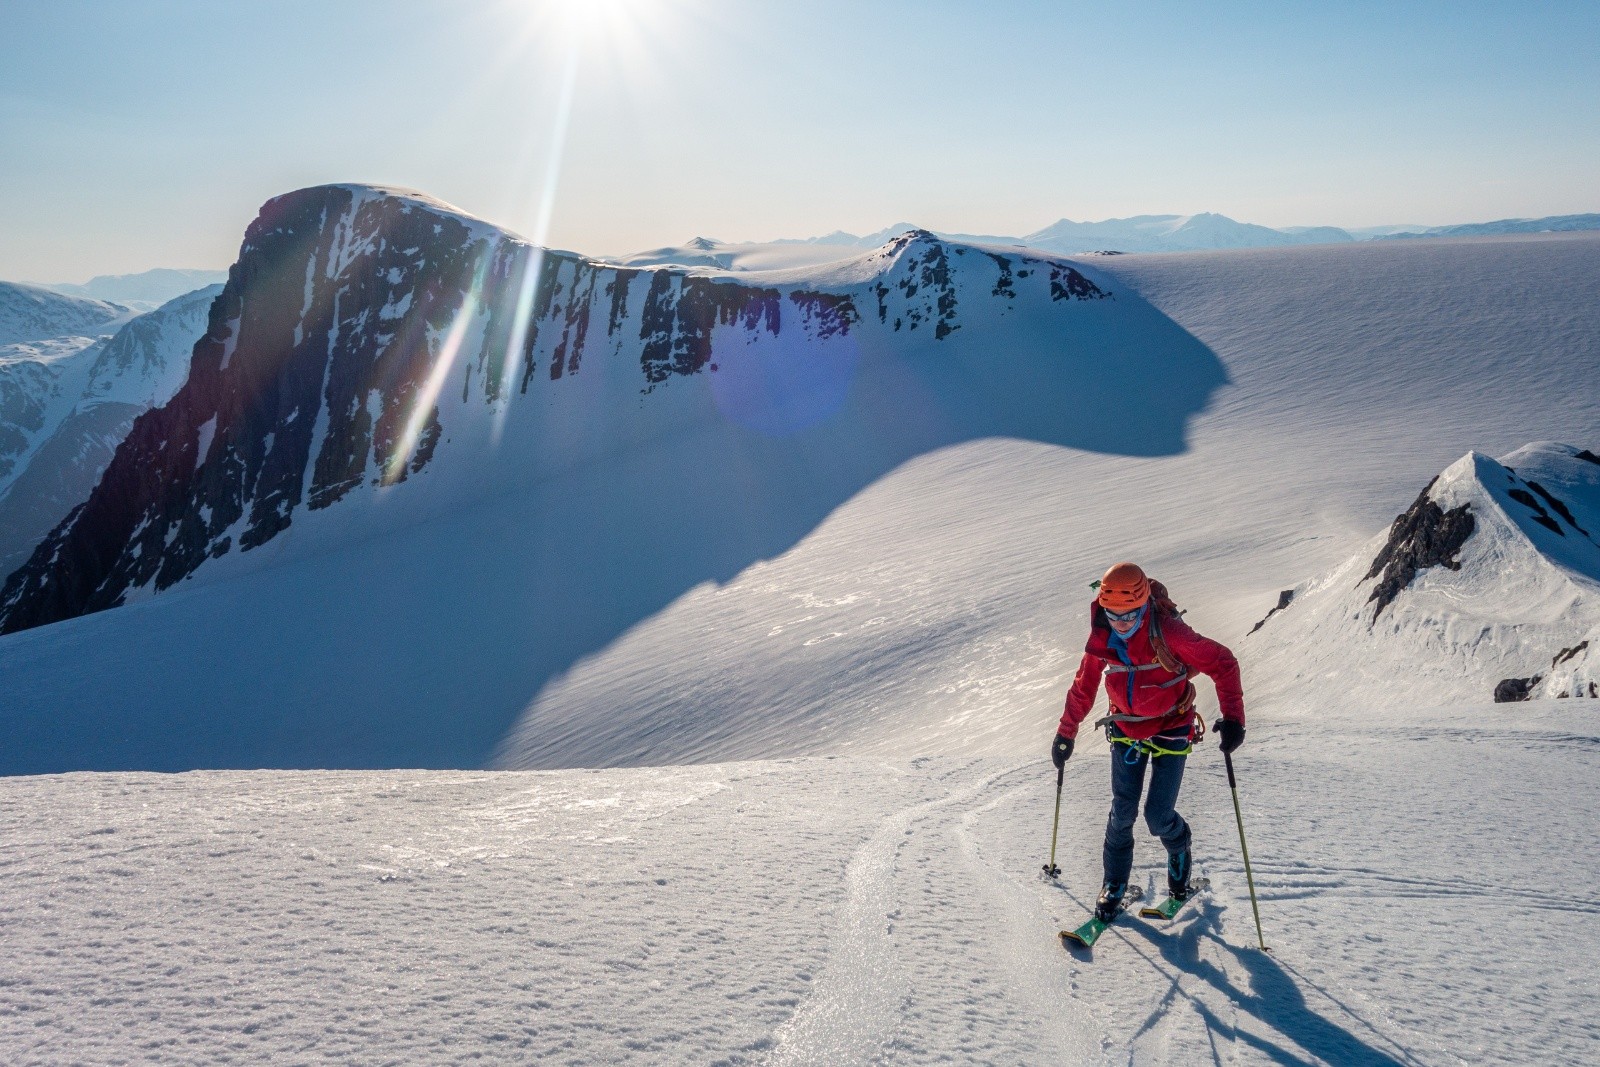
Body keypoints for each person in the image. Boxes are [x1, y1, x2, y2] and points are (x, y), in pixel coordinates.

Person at [1051, 562, 1245, 923]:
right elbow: (1084, 685)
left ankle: (1180, 851)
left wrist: (1235, 720)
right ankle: (1114, 885)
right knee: (1122, 812)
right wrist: (1066, 733)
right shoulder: (1103, 634)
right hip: (1126, 727)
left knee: (1158, 817)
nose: (1120, 624)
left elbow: (1222, 662)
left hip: (1173, 724)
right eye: (1112, 615)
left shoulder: (1169, 631)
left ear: (1143, 607)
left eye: (1129, 615)